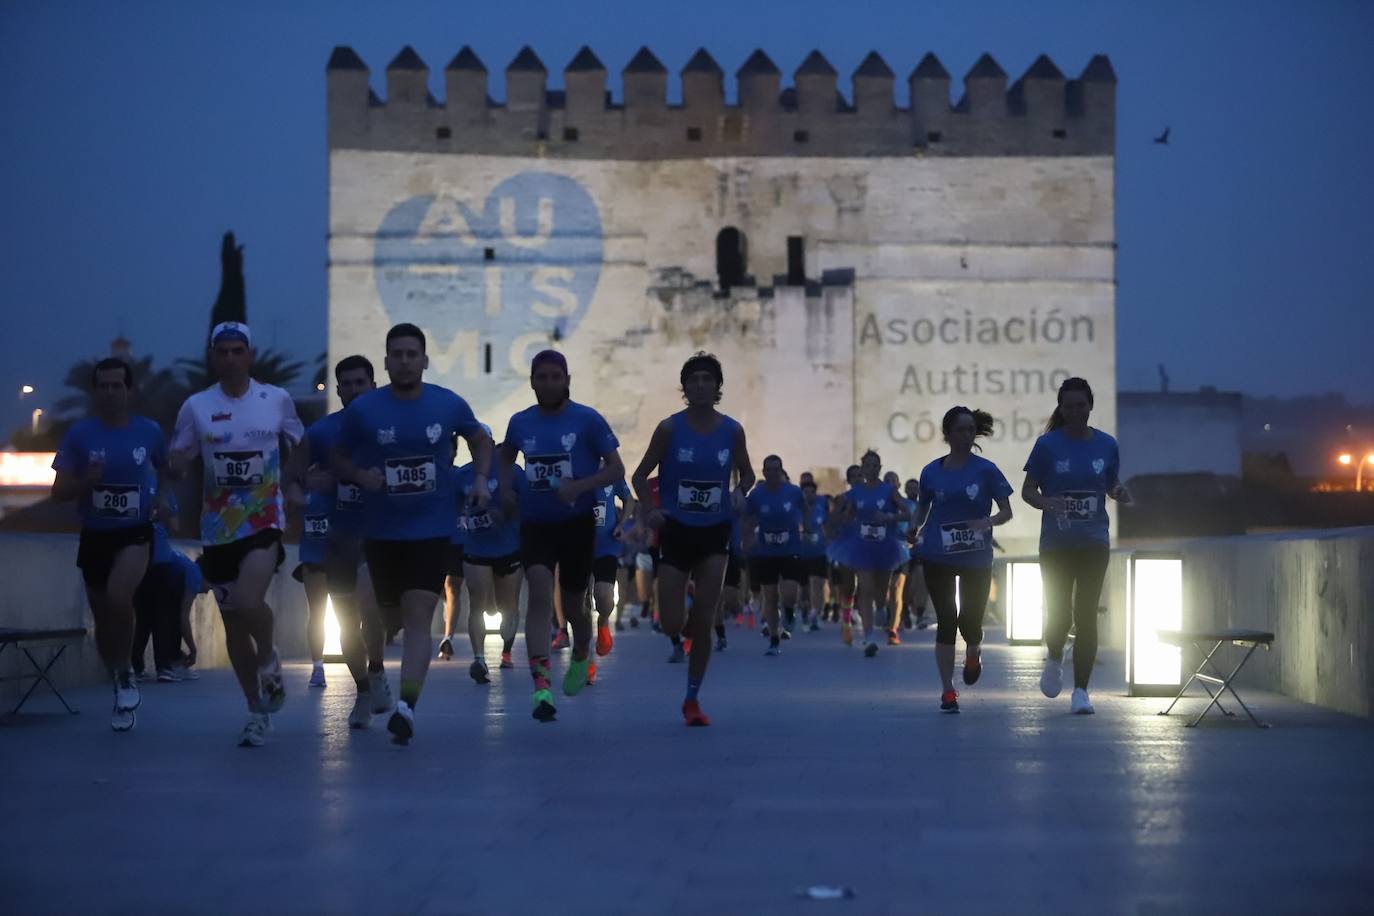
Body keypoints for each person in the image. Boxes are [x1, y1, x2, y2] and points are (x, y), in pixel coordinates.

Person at [333, 324, 493, 743]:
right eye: (397, 355)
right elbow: (338, 454)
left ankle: (406, 707)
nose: (404, 361)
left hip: (431, 531)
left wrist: (480, 479)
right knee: (375, 619)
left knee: (419, 618)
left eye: (412, 354)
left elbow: (481, 439)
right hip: (381, 533)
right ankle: (373, 677)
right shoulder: (365, 410)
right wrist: (357, 474)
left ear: (424, 360)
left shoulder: (448, 404)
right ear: (386, 362)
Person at [169, 323, 304, 746]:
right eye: (222, 352)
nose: (230, 358)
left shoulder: (275, 400)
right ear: (213, 356)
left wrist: (299, 482)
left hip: (264, 520)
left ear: (251, 355)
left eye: (237, 351)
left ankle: (269, 656)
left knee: (249, 601)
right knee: (232, 624)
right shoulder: (196, 406)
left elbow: (302, 445)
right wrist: (175, 464)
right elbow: (181, 457)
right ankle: (256, 711)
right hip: (217, 528)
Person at [498, 350, 624, 723]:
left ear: (567, 380)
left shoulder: (587, 420)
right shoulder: (520, 423)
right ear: (533, 381)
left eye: (556, 377)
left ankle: (582, 649)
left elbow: (616, 468)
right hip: (536, 524)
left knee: (574, 608)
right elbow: (506, 459)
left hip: (576, 524)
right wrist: (506, 490)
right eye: (542, 377)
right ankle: (541, 686)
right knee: (538, 593)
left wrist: (580, 486)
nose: (549, 383)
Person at [632, 352, 755, 726]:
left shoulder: (732, 430)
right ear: (684, 388)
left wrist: (739, 493)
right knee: (671, 622)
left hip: (715, 530)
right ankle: (678, 628)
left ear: (718, 387)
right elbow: (639, 477)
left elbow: (747, 475)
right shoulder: (669, 429)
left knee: (705, 616)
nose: (700, 385)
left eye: (707, 379)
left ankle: (692, 698)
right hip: (677, 530)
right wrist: (651, 510)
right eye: (693, 379)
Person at [52, 357, 169, 730]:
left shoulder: (149, 431)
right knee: (103, 620)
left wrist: (166, 500)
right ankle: (119, 679)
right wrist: (86, 481)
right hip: (95, 534)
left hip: (135, 532)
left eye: (117, 385)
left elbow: (167, 471)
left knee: (120, 597)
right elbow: (58, 493)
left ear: (129, 390)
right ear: (95, 391)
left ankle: (129, 671)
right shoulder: (80, 435)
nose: (110, 392)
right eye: (103, 386)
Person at [293, 355, 393, 729]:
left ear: (373, 386)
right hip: (340, 538)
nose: (352, 389)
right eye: (346, 384)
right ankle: (364, 689)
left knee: (371, 608)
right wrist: (305, 486)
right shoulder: (320, 433)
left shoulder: (391, 429)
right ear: (337, 389)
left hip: (380, 535)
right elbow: (292, 477)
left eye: (359, 383)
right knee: (348, 622)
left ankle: (379, 669)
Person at [1021, 377, 1131, 715]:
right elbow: (1028, 491)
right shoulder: (1047, 446)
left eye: (1080, 405)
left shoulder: (1106, 445)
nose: (1075, 412)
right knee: (1059, 613)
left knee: (1086, 614)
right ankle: (1054, 656)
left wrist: (1119, 493)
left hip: (1094, 541)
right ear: (1061, 408)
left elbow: (1110, 483)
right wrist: (1047, 503)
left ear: (1090, 406)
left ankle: (1081, 690)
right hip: (1056, 544)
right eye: (1068, 406)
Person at [913, 407, 1014, 713]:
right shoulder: (931, 472)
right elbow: (922, 508)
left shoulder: (987, 470)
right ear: (947, 434)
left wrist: (989, 522)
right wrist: (912, 527)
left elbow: (1006, 511)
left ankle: (973, 650)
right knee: (946, 619)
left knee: (970, 620)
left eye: (971, 430)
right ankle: (947, 690)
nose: (967, 436)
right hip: (937, 553)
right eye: (960, 430)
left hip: (976, 557)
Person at [455, 438, 525, 683]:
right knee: (478, 604)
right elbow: (450, 510)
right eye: (473, 445)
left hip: (508, 548)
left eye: (481, 445)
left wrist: (507, 511)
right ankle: (479, 659)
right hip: (476, 549)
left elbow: (528, 505)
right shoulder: (462, 475)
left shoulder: (512, 473)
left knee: (508, 610)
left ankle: (506, 652)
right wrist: (462, 522)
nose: (477, 450)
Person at [830, 451, 908, 657]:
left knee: (881, 592)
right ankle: (869, 636)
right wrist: (840, 514)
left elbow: (907, 512)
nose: (872, 469)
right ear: (862, 469)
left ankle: (881, 608)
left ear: (880, 468)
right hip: (862, 546)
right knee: (864, 589)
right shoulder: (856, 492)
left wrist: (889, 516)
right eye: (868, 466)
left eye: (875, 466)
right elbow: (841, 512)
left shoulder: (889, 490)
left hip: (885, 547)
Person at [744, 456, 805, 657]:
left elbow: (806, 511)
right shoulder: (756, 494)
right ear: (763, 472)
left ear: (781, 470)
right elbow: (748, 518)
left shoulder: (794, 492)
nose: (771, 473)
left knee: (789, 592)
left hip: (790, 548)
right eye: (768, 470)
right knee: (769, 596)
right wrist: (748, 538)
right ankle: (773, 638)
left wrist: (810, 530)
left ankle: (788, 610)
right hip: (766, 550)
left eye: (775, 469)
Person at [591, 471, 636, 680]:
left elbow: (628, 499)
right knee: (578, 605)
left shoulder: (611, 470)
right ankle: (585, 660)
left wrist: (622, 522)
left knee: (604, 595)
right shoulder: (572, 466)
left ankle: (603, 623)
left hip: (606, 546)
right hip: (576, 546)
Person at [798, 472, 829, 633]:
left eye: (811, 492)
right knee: (803, 588)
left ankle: (815, 614)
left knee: (817, 584)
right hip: (801, 553)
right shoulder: (797, 509)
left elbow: (826, 526)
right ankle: (804, 609)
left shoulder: (821, 505)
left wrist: (829, 542)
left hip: (819, 552)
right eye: (806, 492)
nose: (808, 495)